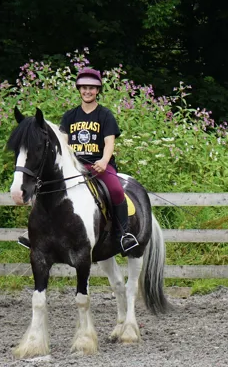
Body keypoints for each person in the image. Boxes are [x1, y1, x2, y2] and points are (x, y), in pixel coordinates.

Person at [18, 68, 139, 254]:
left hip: (99, 166)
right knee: (45, 187)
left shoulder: (105, 115)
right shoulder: (70, 116)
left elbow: (109, 143)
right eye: (84, 88)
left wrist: (104, 161)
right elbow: (64, 142)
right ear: (79, 89)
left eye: (91, 88)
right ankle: (33, 232)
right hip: (75, 167)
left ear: (97, 90)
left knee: (115, 190)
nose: (87, 91)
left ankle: (123, 234)